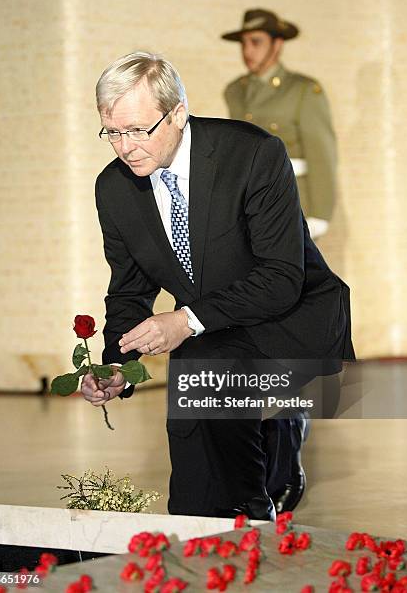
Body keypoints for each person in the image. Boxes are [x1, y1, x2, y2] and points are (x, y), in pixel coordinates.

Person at [81, 52, 354, 520]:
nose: (125, 148)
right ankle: (215, 528)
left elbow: (281, 276)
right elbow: (129, 289)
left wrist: (185, 320)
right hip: (211, 326)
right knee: (195, 468)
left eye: (137, 130)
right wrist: (119, 366)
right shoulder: (114, 189)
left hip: (289, 315)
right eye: (113, 132)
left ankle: (271, 461)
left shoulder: (252, 154)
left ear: (178, 113)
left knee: (226, 402)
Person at [222, 8, 337, 240]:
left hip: (292, 200)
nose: (247, 51)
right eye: (243, 43)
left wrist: (320, 214)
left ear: (277, 44)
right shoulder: (235, 91)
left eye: (256, 42)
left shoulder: (303, 90)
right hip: (249, 204)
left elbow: (322, 154)